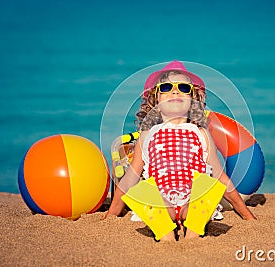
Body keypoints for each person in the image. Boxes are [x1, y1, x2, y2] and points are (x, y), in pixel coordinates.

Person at [104, 60, 256, 241]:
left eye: (183, 88)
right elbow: (130, 178)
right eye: (166, 87)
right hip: (161, 202)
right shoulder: (147, 135)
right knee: (144, 189)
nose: (175, 91)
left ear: (193, 100)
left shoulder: (201, 133)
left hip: (192, 201)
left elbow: (220, 176)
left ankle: (193, 232)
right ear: (155, 99)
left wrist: (246, 214)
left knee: (208, 185)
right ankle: (166, 233)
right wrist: (112, 213)